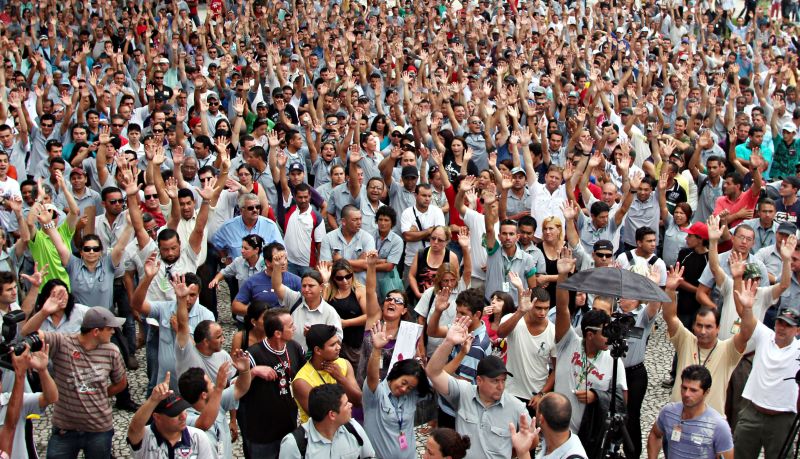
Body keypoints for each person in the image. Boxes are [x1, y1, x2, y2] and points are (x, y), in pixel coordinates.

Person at [426, 315, 529, 459]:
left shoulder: (517, 407)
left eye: (503, 380)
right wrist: (448, 342)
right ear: (479, 380)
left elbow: (531, 440)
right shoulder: (463, 392)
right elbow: (433, 373)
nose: (501, 386)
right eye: (495, 381)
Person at [553, 247, 627, 448]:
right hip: (558, 434)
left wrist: (597, 397)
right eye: (605, 332)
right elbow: (562, 310)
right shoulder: (568, 343)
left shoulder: (614, 360)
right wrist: (562, 276)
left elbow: (622, 400)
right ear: (589, 335)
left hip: (591, 437)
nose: (610, 337)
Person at [662, 259, 755, 415]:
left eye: (709, 326)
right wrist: (670, 290)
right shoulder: (686, 340)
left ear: (718, 328)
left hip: (710, 423)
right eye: (699, 325)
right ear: (693, 326)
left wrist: (747, 309)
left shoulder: (727, 349)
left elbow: (746, 333)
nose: (703, 331)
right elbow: (670, 317)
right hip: (678, 415)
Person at [37, 307, 128, 458]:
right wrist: (44, 312)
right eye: (109, 329)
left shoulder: (112, 351)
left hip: (99, 429)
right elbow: (29, 334)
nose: (113, 332)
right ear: (96, 332)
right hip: (64, 429)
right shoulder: (63, 343)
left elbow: (121, 383)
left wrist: (99, 394)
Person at [131, 255, 215, 390]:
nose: (187, 299)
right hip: (165, 384)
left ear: (198, 294)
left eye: (192, 295)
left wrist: (181, 331)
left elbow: (204, 352)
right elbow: (137, 305)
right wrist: (147, 278)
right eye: (184, 294)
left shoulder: (206, 316)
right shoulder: (164, 308)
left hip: (192, 387)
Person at [362, 321, 430, 459]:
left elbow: (438, 377)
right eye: (403, 382)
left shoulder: (411, 395)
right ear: (395, 374)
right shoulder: (376, 394)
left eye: (410, 387)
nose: (404, 389)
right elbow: (372, 376)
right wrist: (376, 349)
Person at [647, 365, 734, 459]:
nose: (686, 394)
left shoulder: (718, 426)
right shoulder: (668, 412)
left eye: (693, 390)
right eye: (684, 388)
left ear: (706, 392)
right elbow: (655, 434)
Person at [495, 283, 556, 416]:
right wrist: (520, 312)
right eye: (538, 308)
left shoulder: (553, 332)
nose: (543, 313)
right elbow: (500, 333)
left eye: (546, 308)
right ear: (529, 305)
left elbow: (557, 369)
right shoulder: (513, 319)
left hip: (535, 397)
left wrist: (542, 393)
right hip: (510, 391)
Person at [179, 354, 252, 459]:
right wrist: (218, 388)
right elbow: (204, 423)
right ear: (203, 395)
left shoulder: (217, 401)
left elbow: (240, 388)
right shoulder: (186, 419)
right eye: (210, 383)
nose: (213, 384)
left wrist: (245, 371)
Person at [126, 372, 214, 458]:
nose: (183, 416)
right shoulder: (145, 438)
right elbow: (134, 429)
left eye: (183, 409)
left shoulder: (199, 438)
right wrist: (153, 400)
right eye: (175, 413)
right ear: (157, 417)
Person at [278, 383, 375, 459]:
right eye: (346, 404)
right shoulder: (294, 444)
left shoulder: (354, 429)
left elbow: (369, 456)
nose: (351, 405)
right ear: (332, 415)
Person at [270, 255, 343, 351]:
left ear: (321, 287)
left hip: (317, 361)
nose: (306, 289)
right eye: (304, 286)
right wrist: (277, 267)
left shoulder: (329, 312)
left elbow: (338, 339)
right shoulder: (295, 299)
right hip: (292, 357)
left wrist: (316, 335)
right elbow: (277, 286)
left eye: (311, 286)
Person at [292, 324, 361, 423]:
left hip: (343, 427)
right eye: (333, 345)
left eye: (338, 343)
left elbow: (359, 401)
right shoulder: (302, 381)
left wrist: (341, 378)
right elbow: (321, 418)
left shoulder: (344, 364)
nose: (338, 347)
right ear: (318, 350)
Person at [231, 242, 302, 314]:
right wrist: (259, 312)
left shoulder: (296, 281)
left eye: (285, 258)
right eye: (278, 259)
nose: (283, 262)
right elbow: (236, 306)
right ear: (267, 262)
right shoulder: (252, 281)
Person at [325, 260, 367, 367]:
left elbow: (369, 316)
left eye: (348, 276)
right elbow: (320, 308)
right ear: (333, 278)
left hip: (353, 343)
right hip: (332, 342)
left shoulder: (359, 290)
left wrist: (346, 323)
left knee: (352, 372)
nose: (345, 281)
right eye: (339, 278)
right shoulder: (329, 290)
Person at [528, 393, 588, 459]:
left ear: (541, 419)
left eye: (537, 409)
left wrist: (523, 452)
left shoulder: (574, 456)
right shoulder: (546, 441)